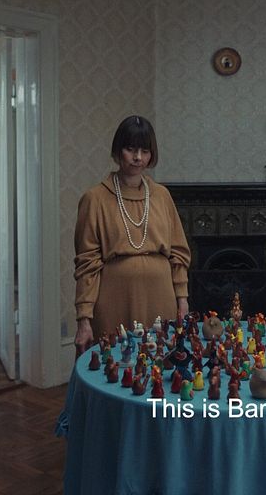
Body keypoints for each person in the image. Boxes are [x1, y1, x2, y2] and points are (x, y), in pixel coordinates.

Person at [73, 115, 191, 356]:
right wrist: (84, 318)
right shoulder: (94, 199)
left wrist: (182, 298)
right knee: (116, 366)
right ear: (118, 151)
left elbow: (178, 253)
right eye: (130, 149)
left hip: (160, 299)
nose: (138, 157)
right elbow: (87, 264)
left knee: (161, 366)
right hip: (114, 301)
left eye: (145, 151)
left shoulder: (162, 196)